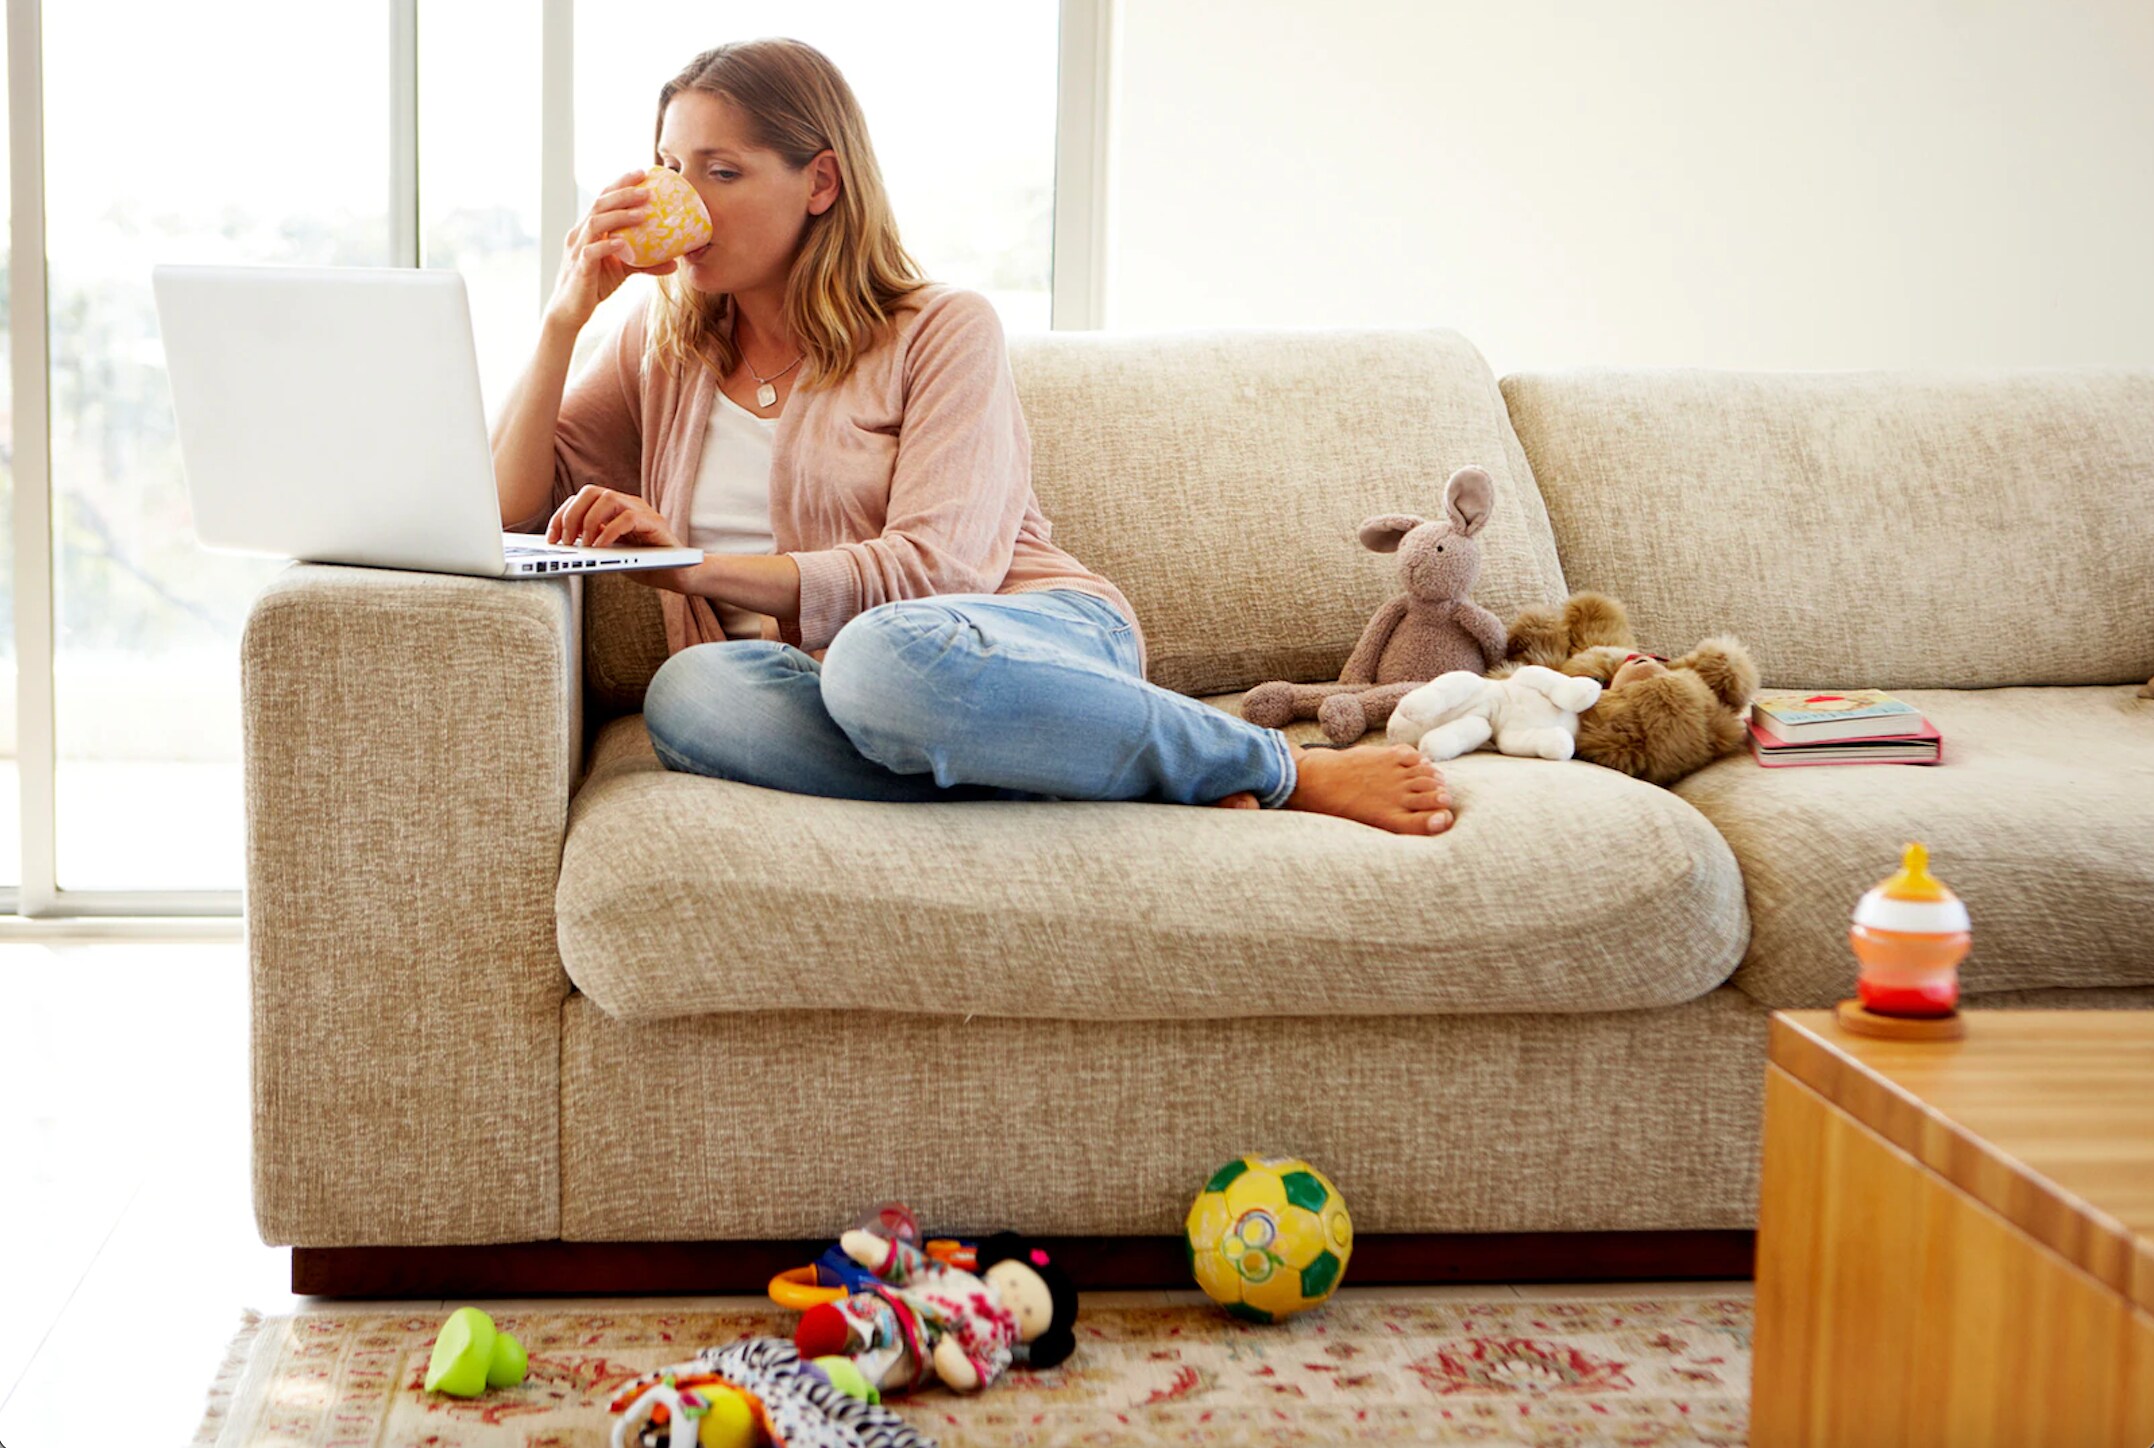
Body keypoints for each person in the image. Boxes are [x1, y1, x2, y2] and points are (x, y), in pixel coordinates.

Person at [489, 38, 1454, 835]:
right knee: (691, 696)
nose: (683, 198)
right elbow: (506, 505)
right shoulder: (662, 350)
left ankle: (1269, 763)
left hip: (1014, 645)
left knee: (878, 661)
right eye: (668, 167)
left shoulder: (942, 328)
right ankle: (1094, 768)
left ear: (820, 182)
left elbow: (934, 573)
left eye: (722, 170)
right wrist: (562, 318)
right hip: (828, 691)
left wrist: (694, 568)